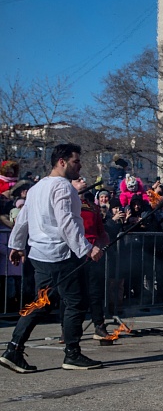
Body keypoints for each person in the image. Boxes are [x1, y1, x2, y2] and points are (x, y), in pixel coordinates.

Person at [0, 143, 104, 373]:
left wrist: (16, 245)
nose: (80, 166)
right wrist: (86, 248)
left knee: (41, 303)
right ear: (62, 162)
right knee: (76, 302)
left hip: (40, 254)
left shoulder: (37, 187)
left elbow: (23, 219)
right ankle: (72, 354)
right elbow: (66, 222)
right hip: (60, 254)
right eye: (76, 161)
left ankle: (13, 349)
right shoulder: (63, 188)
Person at [59, 178, 110, 343]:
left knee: (95, 292)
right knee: (70, 294)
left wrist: (102, 242)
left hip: (92, 253)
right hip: (72, 253)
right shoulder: (65, 203)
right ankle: (66, 330)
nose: (82, 180)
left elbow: (100, 231)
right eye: (77, 179)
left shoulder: (92, 206)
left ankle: (99, 326)